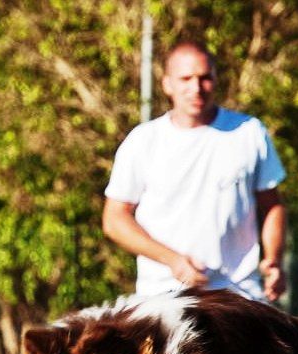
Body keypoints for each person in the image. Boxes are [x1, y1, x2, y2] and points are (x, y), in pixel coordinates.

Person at [102, 41, 287, 303]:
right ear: (167, 84)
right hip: (163, 300)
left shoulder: (249, 132)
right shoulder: (143, 141)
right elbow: (114, 219)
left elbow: (273, 206)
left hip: (239, 297)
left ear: (215, 79)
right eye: (186, 78)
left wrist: (274, 260)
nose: (196, 88)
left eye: (205, 78)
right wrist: (173, 261)